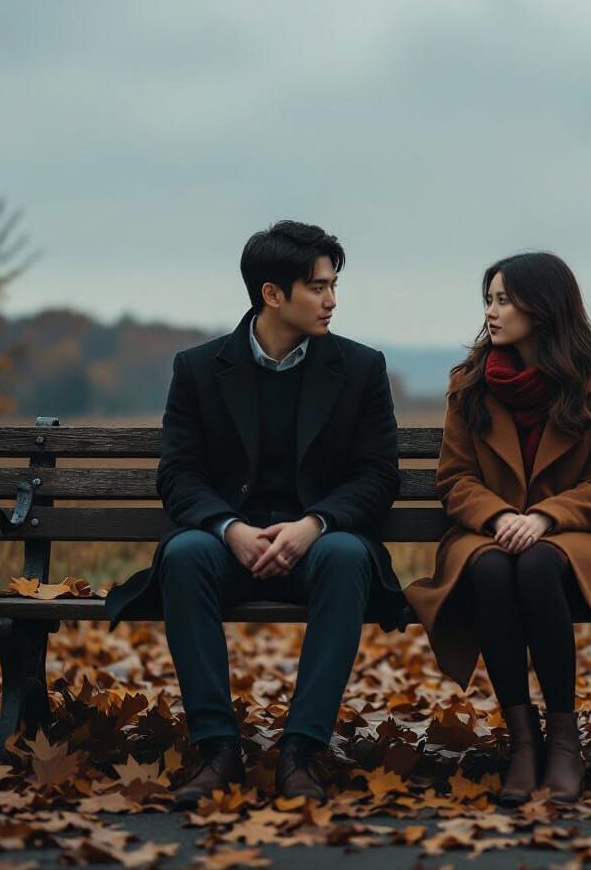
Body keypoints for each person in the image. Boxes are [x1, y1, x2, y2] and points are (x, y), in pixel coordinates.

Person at [105, 220, 407, 809]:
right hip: (227, 545)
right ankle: (217, 749)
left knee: (347, 556)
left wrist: (314, 523)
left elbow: (377, 476)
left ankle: (301, 752)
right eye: (318, 287)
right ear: (272, 294)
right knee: (186, 553)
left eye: (333, 285)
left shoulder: (360, 369)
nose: (332, 300)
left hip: (321, 545)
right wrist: (229, 528)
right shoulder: (198, 368)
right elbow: (179, 474)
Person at [404, 252, 591, 807]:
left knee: (537, 563)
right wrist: (498, 518)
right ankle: (523, 741)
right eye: (488, 300)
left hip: (580, 538)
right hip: (485, 533)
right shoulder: (469, 385)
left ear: (542, 309)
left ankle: (564, 740)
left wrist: (544, 518)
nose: (491, 312)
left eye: (504, 300)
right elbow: (456, 478)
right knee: (492, 567)